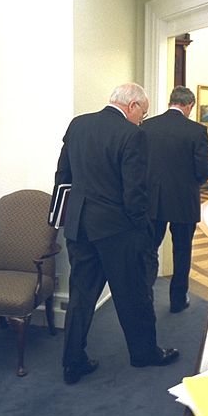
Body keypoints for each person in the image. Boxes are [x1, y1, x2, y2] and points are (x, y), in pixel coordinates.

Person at [54, 82, 179, 385]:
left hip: (80, 226)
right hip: (117, 230)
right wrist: (144, 230)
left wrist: (65, 217)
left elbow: (63, 175)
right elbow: (134, 192)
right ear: (132, 106)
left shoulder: (78, 125)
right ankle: (144, 353)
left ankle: (72, 361)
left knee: (81, 296)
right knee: (134, 294)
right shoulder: (132, 135)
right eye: (144, 113)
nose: (142, 120)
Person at [141, 86, 208, 313]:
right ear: (189, 105)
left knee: (149, 250)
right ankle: (178, 300)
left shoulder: (147, 126)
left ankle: (145, 298)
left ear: (171, 101)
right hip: (184, 202)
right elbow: (203, 170)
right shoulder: (197, 131)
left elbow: (138, 164)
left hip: (152, 201)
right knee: (182, 251)